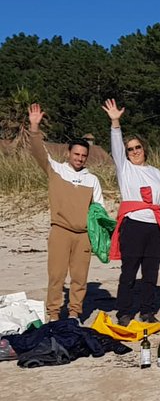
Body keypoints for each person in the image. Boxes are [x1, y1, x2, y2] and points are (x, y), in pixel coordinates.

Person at [26, 104, 104, 322]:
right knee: (57, 276)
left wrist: (101, 238)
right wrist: (34, 127)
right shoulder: (56, 170)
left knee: (79, 278)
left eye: (83, 155)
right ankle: (53, 314)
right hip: (60, 230)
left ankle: (74, 313)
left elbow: (99, 210)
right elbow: (38, 151)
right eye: (76, 154)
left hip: (84, 235)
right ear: (69, 153)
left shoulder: (92, 179)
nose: (79, 158)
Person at [101, 100, 160, 325]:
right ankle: (124, 311)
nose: (134, 151)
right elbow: (115, 147)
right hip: (133, 225)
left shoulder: (156, 173)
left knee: (150, 272)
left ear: (144, 149)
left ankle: (147, 310)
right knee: (129, 272)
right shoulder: (125, 169)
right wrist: (115, 122)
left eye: (137, 147)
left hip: (154, 226)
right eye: (130, 149)